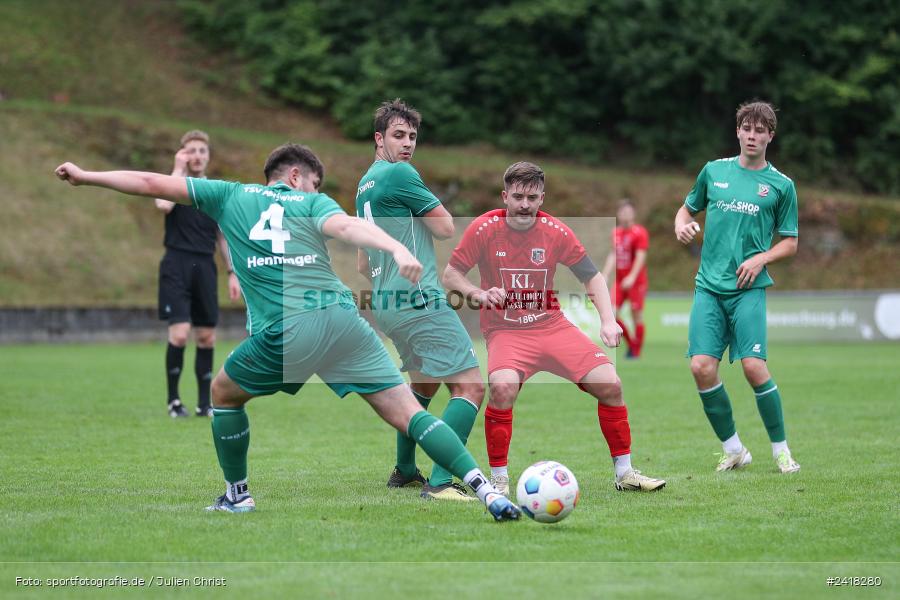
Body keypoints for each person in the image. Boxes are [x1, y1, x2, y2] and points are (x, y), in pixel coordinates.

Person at [54, 143, 520, 520]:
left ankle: (237, 495)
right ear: (297, 176)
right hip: (344, 322)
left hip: (289, 329)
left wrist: (87, 176)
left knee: (222, 392)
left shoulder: (229, 194)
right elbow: (348, 226)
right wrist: (396, 249)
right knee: (408, 414)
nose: (316, 188)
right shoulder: (313, 201)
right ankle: (485, 492)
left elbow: (151, 183)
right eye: (314, 181)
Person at [443, 161, 667, 495]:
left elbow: (591, 276)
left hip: (552, 326)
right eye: (517, 196)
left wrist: (608, 320)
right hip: (507, 332)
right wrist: (477, 292)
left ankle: (625, 473)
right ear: (505, 195)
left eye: (532, 197)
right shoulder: (484, 228)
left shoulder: (556, 231)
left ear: (542, 198)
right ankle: (499, 480)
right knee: (502, 389)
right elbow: (450, 274)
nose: (524, 205)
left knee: (610, 383)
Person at [356, 99, 484, 501]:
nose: (408, 143)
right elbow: (445, 227)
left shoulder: (365, 184)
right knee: (470, 387)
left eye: (412, 136)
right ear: (379, 139)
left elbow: (362, 262)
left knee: (424, 387)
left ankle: (405, 470)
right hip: (419, 298)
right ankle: (442, 481)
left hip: (387, 304)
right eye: (398, 135)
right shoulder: (400, 173)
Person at [674, 100, 800, 474]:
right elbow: (686, 209)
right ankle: (734, 449)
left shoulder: (782, 185)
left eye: (760, 130)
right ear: (738, 131)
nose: (752, 135)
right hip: (709, 288)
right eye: (747, 128)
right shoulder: (714, 172)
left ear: (770, 137)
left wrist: (762, 258)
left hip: (748, 289)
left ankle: (781, 451)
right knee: (700, 367)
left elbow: (790, 242)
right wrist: (681, 224)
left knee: (753, 368)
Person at [154, 130, 241, 418]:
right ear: (183, 154)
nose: (197, 156)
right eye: (191, 150)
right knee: (179, 336)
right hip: (176, 263)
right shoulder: (175, 185)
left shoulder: (212, 191)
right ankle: (174, 401)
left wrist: (232, 272)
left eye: (202, 151)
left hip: (205, 267)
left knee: (207, 337)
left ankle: (205, 404)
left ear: (208, 156)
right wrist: (177, 169)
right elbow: (162, 205)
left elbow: (223, 237)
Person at [601, 200, 649, 358]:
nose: (625, 215)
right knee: (613, 314)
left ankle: (636, 352)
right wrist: (606, 273)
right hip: (620, 281)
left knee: (637, 316)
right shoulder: (615, 232)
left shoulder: (640, 232)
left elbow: (641, 257)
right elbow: (613, 254)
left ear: (633, 214)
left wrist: (632, 276)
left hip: (636, 281)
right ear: (618, 214)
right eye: (622, 212)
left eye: (628, 212)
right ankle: (631, 344)